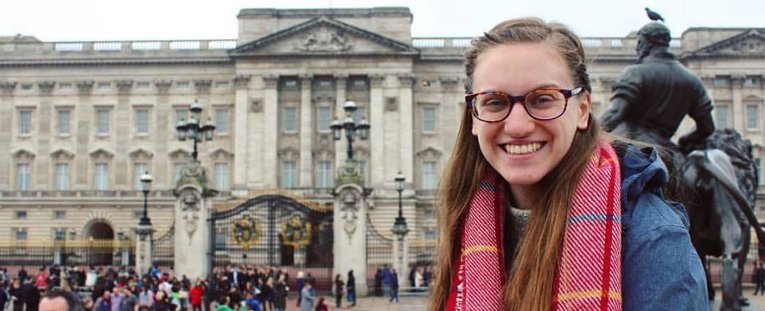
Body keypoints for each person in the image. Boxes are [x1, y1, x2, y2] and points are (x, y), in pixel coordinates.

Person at [428, 17, 708, 310]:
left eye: (543, 99)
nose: (518, 126)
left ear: (583, 109)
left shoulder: (655, 239)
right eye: (494, 102)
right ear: (474, 115)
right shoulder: (468, 217)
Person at [600, 22, 714, 150]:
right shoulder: (693, 80)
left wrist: (585, 138)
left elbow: (614, 114)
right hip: (667, 151)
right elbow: (707, 128)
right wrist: (684, 140)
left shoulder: (635, 73)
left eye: (640, 42)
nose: (637, 47)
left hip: (631, 149)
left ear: (649, 43)